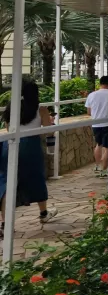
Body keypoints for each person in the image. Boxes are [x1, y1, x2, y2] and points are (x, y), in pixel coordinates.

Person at [0, 79, 57, 238]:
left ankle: (5, 223)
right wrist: (50, 123)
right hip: (30, 146)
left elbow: (7, 128)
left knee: (7, 183)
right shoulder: (41, 109)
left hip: (9, 145)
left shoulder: (11, 109)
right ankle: (43, 213)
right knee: (36, 178)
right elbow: (48, 132)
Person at [85, 76, 108, 177]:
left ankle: (97, 165)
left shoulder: (92, 95)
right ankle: (104, 170)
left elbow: (88, 112)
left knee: (98, 145)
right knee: (107, 148)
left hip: (95, 124)